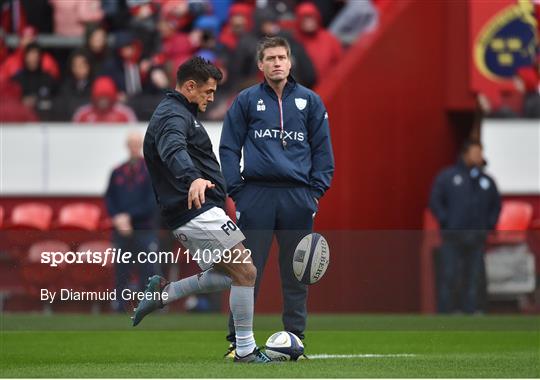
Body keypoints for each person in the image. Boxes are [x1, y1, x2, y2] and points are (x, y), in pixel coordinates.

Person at [133, 56, 271, 364]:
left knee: (231, 275)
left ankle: (163, 295)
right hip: (195, 209)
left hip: (202, 209)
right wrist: (192, 177)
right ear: (190, 87)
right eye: (208, 92)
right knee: (245, 271)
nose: (212, 97)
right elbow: (173, 149)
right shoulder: (172, 115)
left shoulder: (181, 112)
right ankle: (246, 350)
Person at [219, 36, 335, 357]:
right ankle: (237, 342)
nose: (277, 63)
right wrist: (238, 191)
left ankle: (295, 339)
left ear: (290, 61)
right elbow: (228, 147)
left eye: (282, 57)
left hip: (298, 197)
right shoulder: (245, 100)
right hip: (256, 195)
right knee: (246, 272)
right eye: (270, 58)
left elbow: (323, 152)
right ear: (260, 64)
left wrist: (314, 193)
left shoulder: (311, 101)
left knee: (297, 272)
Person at [429, 140, 501, 314]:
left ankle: (473, 310)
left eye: (480, 153)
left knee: (475, 276)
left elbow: (496, 205)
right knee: (450, 274)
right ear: (466, 154)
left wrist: (488, 225)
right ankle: (447, 312)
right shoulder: (447, 177)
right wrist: (446, 221)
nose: (479, 156)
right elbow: (435, 201)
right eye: (476, 152)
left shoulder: (486, 181)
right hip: (452, 237)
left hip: (477, 237)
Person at [72, 76, 138, 123]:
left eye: (106, 98)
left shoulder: (125, 114)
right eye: (100, 98)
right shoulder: (82, 114)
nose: (103, 101)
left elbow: (134, 133)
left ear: (112, 97)